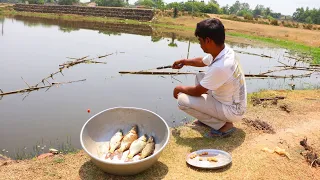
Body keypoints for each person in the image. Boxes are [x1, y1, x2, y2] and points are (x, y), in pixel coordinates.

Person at [172, 18, 247, 137]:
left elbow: (197, 91)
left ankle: (224, 126)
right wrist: (184, 61)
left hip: (233, 111)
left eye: (200, 41)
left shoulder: (221, 66)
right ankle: (209, 119)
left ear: (208, 40)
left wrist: (179, 88)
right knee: (200, 76)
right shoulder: (223, 51)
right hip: (230, 101)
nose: (200, 44)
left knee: (182, 101)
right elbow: (202, 61)